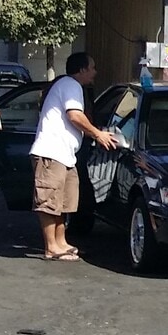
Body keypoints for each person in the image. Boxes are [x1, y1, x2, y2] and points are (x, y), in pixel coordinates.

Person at [30, 52, 117, 261]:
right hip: (51, 153)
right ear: (82, 70)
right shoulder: (71, 85)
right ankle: (51, 247)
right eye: (92, 68)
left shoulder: (71, 85)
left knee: (63, 202)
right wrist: (98, 134)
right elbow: (75, 115)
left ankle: (61, 242)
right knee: (49, 202)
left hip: (66, 155)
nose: (95, 72)